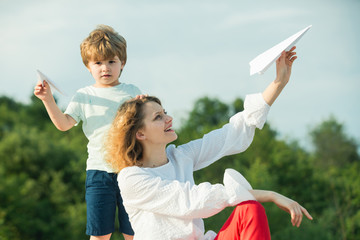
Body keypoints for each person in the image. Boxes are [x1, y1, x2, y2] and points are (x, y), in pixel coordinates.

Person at [105, 46, 313, 240]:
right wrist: (269, 195)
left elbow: (231, 134)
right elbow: (192, 200)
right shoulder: (132, 178)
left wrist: (279, 82)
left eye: (165, 113)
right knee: (252, 201)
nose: (169, 119)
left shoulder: (181, 157)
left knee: (250, 209)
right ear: (140, 133)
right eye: (158, 117)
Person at [34, 25, 140, 240]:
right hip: (98, 173)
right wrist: (48, 100)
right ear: (88, 66)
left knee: (135, 233)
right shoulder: (83, 95)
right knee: (100, 235)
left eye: (112, 61)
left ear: (122, 63)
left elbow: (147, 128)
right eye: (98, 63)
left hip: (132, 170)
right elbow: (63, 124)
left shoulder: (132, 93)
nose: (105, 68)